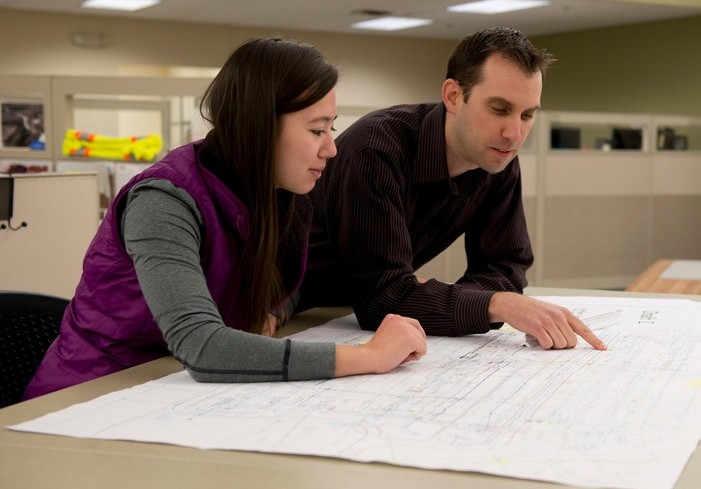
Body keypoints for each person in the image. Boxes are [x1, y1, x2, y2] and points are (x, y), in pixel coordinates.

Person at [23, 38, 426, 401]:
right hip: (89, 397)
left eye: (331, 128)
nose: (331, 149)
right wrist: (367, 356)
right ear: (259, 127)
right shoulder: (163, 200)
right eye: (317, 130)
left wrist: (273, 313)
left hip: (177, 390)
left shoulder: (281, 194)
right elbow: (202, 346)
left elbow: (290, 286)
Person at [298, 27, 606, 351]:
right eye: (499, 109)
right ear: (453, 96)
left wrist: (444, 300)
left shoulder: (496, 160)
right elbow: (381, 296)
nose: (514, 134)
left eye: (527, 115)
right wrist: (495, 305)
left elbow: (505, 267)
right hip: (291, 308)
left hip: (343, 316)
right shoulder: (376, 150)